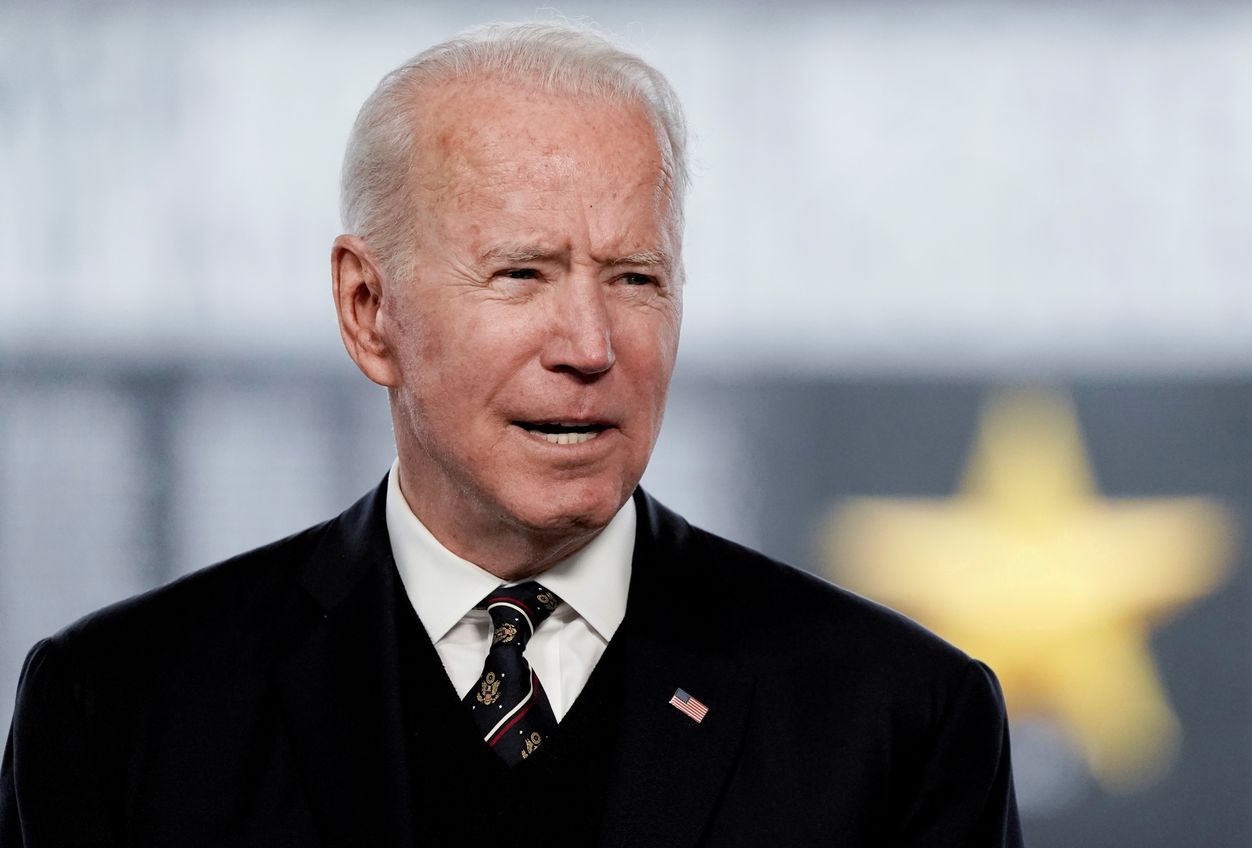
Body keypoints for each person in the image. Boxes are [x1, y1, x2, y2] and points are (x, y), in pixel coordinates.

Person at [0, 22, 1022, 847]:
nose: (588, 344)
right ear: (367, 309)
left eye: (634, 278)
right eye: (521, 274)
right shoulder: (121, 714)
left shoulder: (896, 722)